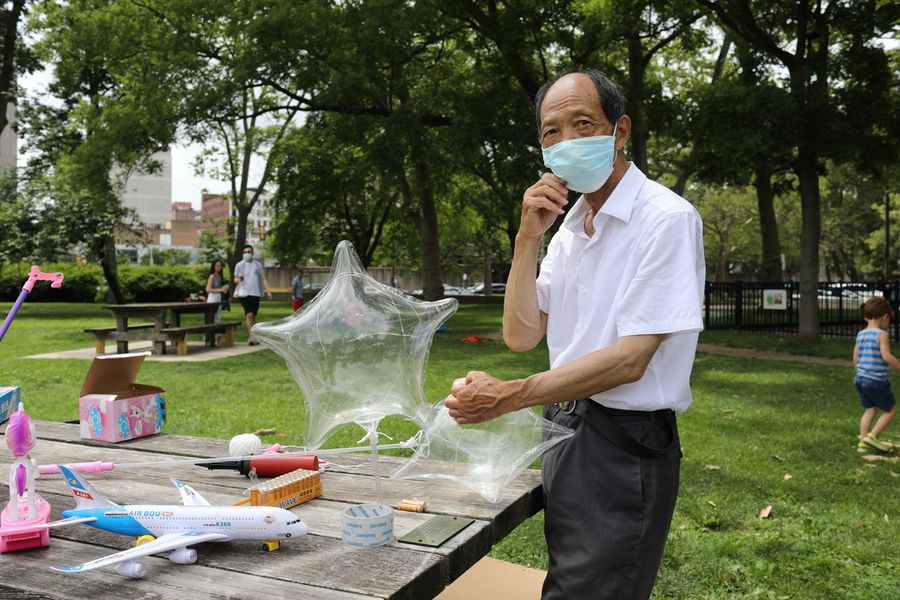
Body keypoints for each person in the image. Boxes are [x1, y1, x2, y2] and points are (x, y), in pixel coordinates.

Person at [444, 69, 705, 600]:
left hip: (623, 440)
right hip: (564, 424)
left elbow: (631, 360)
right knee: (570, 578)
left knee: (591, 590)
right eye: (550, 132)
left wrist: (509, 396)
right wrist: (525, 239)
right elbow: (521, 334)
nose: (565, 142)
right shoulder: (569, 224)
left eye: (583, 124)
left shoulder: (665, 219)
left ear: (620, 130)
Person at [852, 296, 898, 452]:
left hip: (860, 378)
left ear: (866, 317)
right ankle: (872, 436)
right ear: (885, 317)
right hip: (875, 380)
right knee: (890, 410)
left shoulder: (860, 334)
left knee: (870, 410)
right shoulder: (881, 334)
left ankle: (863, 443)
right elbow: (886, 356)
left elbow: (855, 357)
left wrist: (859, 373)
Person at [233, 244, 272, 345]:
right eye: (245, 252)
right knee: (249, 314)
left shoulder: (257, 265)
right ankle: (251, 338)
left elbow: (263, 279)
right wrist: (238, 279)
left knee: (253, 316)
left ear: (252, 253)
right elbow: (235, 278)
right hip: (244, 293)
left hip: (256, 293)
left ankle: (253, 337)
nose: (247, 254)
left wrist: (268, 291)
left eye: (249, 252)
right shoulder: (239, 265)